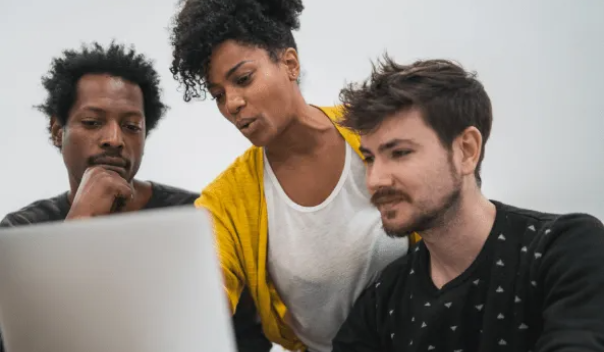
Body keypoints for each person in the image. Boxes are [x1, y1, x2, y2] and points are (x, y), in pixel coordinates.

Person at [169, 1, 421, 351]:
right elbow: (200, 298)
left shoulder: (372, 129)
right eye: (218, 95)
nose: (232, 104)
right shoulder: (226, 202)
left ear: (289, 63)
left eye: (243, 79)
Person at [0, 42, 271, 352]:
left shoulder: (196, 217)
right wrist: (78, 225)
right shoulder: (20, 234)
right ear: (57, 131)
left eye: (131, 126)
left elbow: (249, 340)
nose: (114, 139)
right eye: (92, 122)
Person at [330, 56, 604, 351]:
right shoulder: (383, 298)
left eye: (399, 153)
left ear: (466, 151)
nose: (375, 180)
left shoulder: (564, 249)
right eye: (370, 158)